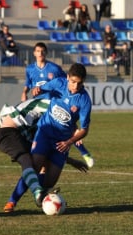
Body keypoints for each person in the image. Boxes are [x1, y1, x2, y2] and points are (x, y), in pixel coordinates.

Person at [0, 98, 89, 212]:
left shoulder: (46, 127)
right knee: (29, 162)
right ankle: (19, 199)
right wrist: (75, 130)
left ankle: (41, 198)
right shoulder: (50, 104)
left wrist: (72, 161)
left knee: (44, 174)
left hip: (24, 137)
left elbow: (53, 146)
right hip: (10, 132)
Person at [30, 63, 92, 194]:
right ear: (68, 77)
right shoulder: (59, 83)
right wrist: (37, 89)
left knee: (49, 181)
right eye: (73, 82)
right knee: (35, 166)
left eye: (79, 83)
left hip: (62, 142)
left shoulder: (84, 100)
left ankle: (41, 196)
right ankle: (12, 201)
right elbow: (41, 88)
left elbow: (84, 129)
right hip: (45, 132)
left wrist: (69, 142)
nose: (76, 86)